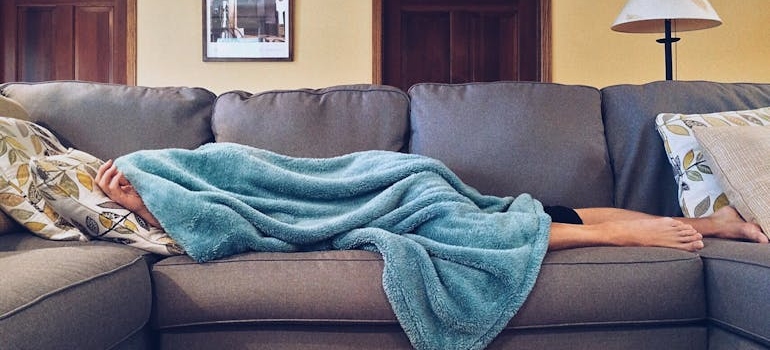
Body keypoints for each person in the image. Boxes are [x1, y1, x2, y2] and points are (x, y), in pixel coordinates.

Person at [94, 159, 769, 253]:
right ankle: (716, 223)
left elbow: (236, 211)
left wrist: (151, 203)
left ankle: (633, 236)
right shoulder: (180, 183)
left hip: (402, 183)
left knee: (479, 227)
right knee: (536, 210)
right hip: (409, 179)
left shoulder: (184, 171)